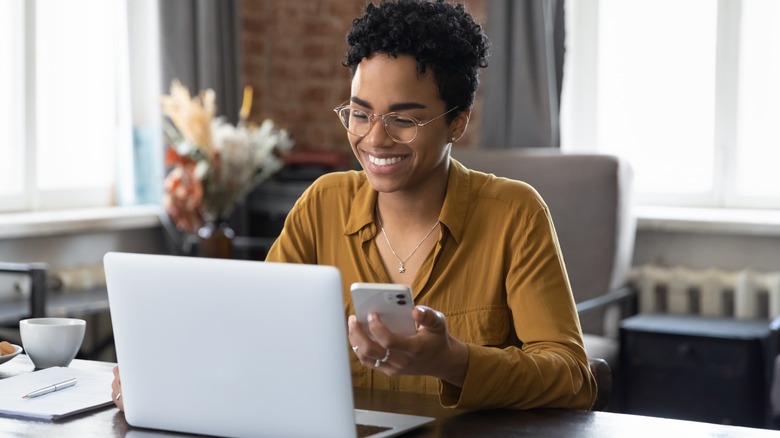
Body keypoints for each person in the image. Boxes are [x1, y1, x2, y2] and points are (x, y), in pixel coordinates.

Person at [112, 0, 596, 411]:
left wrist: (453, 360)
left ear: (457, 123)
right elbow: (253, 331)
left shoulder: (514, 214)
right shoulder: (323, 203)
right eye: (359, 113)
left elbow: (575, 377)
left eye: (403, 120)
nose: (374, 138)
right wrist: (164, 369)